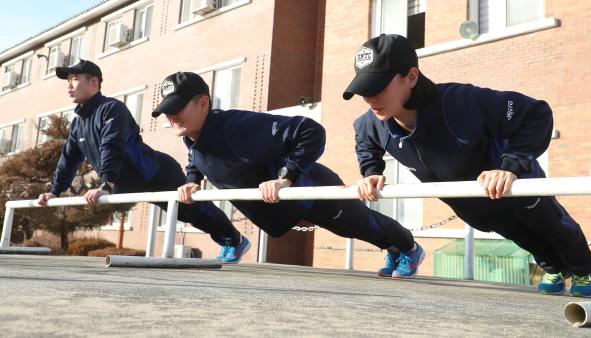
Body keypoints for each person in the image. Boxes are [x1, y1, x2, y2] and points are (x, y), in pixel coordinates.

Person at [344, 34, 591, 296]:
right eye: (364, 89)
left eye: (378, 86)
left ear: (411, 77)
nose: (370, 98)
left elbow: (535, 113)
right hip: (477, 207)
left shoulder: (459, 102)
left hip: (517, 188)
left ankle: (582, 270)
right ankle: (553, 268)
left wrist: (509, 166)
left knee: (552, 227)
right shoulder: (371, 124)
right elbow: (365, 142)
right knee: (524, 237)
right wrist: (371, 172)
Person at [151, 71, 425, 278]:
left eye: (177, 108)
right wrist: (191, 182)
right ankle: (394, 248)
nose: (171, 116)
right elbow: (196, 160)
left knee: (361, 224)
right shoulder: (193, 137)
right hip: (285, 210)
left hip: (311, 190)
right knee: (347, 231)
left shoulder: (236, 126)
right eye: (166, 111)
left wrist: (286, 177)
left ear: (203, 104)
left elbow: (310, 131)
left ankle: (409, 248)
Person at [36, 60, 248, 263]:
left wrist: (106, 184)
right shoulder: (78, 123)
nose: (69, 85)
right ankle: (231, 240)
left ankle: (235, 241)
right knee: (187, 216)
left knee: (193, 211)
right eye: (68, 80)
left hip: (155, 172)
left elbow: (112, 145)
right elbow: (68, 159)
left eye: (74, 78)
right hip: (131, 182)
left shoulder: (112, 109)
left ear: (94, 81)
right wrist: (54, 191)